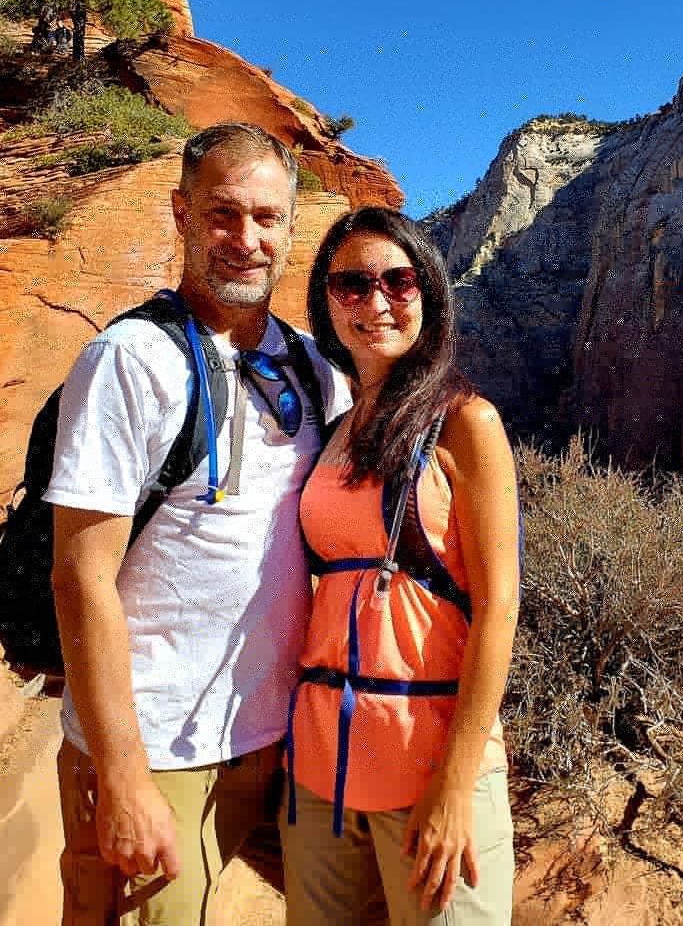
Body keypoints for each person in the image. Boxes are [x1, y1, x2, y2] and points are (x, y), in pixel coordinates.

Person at [46, 122, 348, 925]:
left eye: (266, 217)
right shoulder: (130, 361)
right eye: (222, 214)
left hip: (271, 741)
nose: (245, 239)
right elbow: (80, 577)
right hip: (156, 753)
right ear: (181, 214)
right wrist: (122, 778)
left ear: (292, 228)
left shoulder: (312, 368)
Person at [281, 207, 520, 925]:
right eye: (350, 285)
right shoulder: (331, 432)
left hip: (433, 767)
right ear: (326, 300)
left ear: (430, 293)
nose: (375, 302)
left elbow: (500, 607)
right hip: (320, 772)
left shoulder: (465, 422)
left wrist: (455, 786)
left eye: (399, 280)